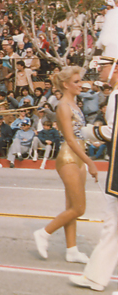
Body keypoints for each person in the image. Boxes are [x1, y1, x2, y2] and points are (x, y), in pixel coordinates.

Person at [33, 66, 97, 263]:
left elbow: (78, 133)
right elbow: (69, 139)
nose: (80, 85)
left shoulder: (75, 105)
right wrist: (90, 162)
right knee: (79, 208)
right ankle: (44, 233)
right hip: (69, 157)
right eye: (76, 82)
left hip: (79, 154)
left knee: (72, 206)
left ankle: (72, 250)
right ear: (66, 85)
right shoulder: (63, 106)